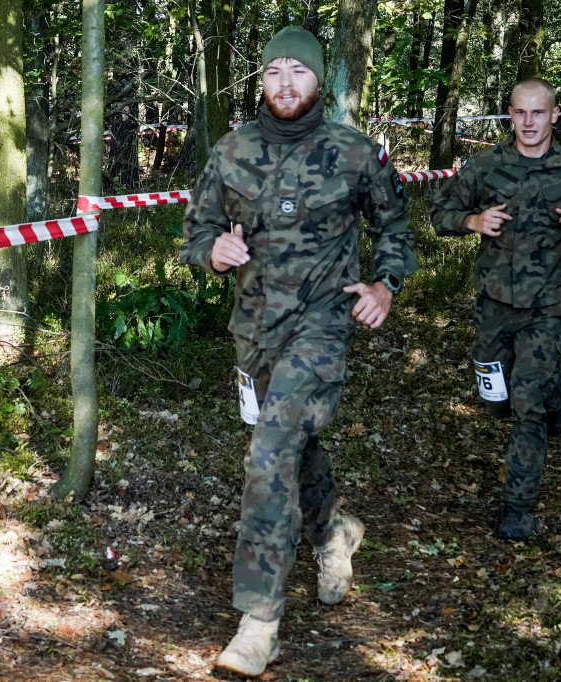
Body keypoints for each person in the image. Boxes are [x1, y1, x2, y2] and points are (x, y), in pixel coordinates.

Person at [179, 26, 416, 677]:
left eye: (299, 72)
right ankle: (334, 530)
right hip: (254, 333)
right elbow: (195, 230)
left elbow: (394, 226)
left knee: (269, 453)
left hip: (321, 329)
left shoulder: (354, 152)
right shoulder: (232, 151)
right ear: (262, 80)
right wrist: (211, 251)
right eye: (274, 71)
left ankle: (259, 623)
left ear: (319, 80)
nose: (286, 84)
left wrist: (385, 285)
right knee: (292, 446)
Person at [429, 78, 561, 540]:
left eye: (539, 113)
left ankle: (517, 508)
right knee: (495, 401)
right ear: (511, 114)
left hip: (546, 307)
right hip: (494, 305)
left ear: (555, 115)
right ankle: (559, 394)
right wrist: (472, 220)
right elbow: (439, 213)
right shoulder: (486, 165)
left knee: (526, 407)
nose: (529, 122)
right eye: (521, 113)